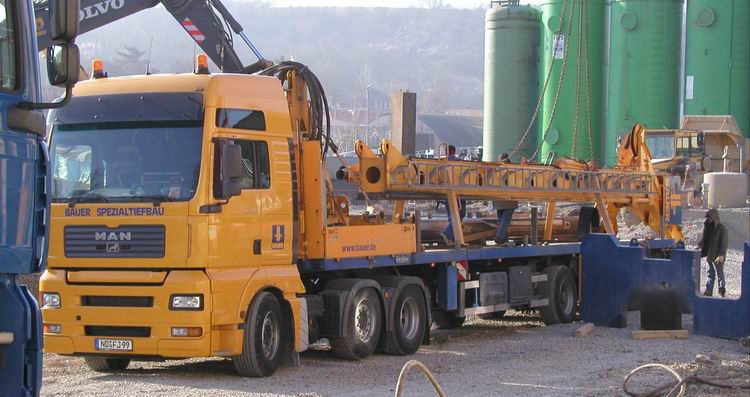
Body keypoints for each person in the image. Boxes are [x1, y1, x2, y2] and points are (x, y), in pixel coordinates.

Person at [698, 209, 728, 297]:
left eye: (709, 217)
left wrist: (721, 255)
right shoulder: (707, 227)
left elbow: (724, 243)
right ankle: (708, 290)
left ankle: (721, 290)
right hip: (709, 254)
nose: (708, 219)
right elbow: (704, 239)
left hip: (717, 255)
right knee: (710, 273)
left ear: (714, 217)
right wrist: (699, 245)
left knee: (720, 273)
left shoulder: (721, 229)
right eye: (707, 217)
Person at [441, 145, 466, 245]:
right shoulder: (458, 162)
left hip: (445, 193)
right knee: (460, 214)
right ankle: (447, 234)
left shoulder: (441, 162)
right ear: (454, 151)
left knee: (451, 216)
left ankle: (452, 237)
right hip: (457, 193)